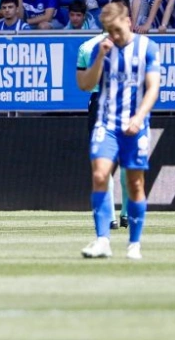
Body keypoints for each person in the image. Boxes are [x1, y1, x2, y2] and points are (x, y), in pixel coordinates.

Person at [78, 1, 161, 260]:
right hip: (107, 123)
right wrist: (101, 57)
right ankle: (103, 239)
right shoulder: (100, 49)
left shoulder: (147, 47)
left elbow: (153, 88)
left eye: (116, 30)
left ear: (128, 22)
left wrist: (139, 116)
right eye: (108, 31)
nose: (113, 36)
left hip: (135, 124)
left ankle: (134, 243)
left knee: (135, 183)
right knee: (101, 176)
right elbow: (84, 84)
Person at [75, 24, 120, 233]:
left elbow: (83, 84)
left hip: (100, 102)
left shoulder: (87, 46)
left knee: (104, 161)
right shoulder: (135, 45)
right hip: (121, 102)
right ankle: (121, 215)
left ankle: (111, 216)